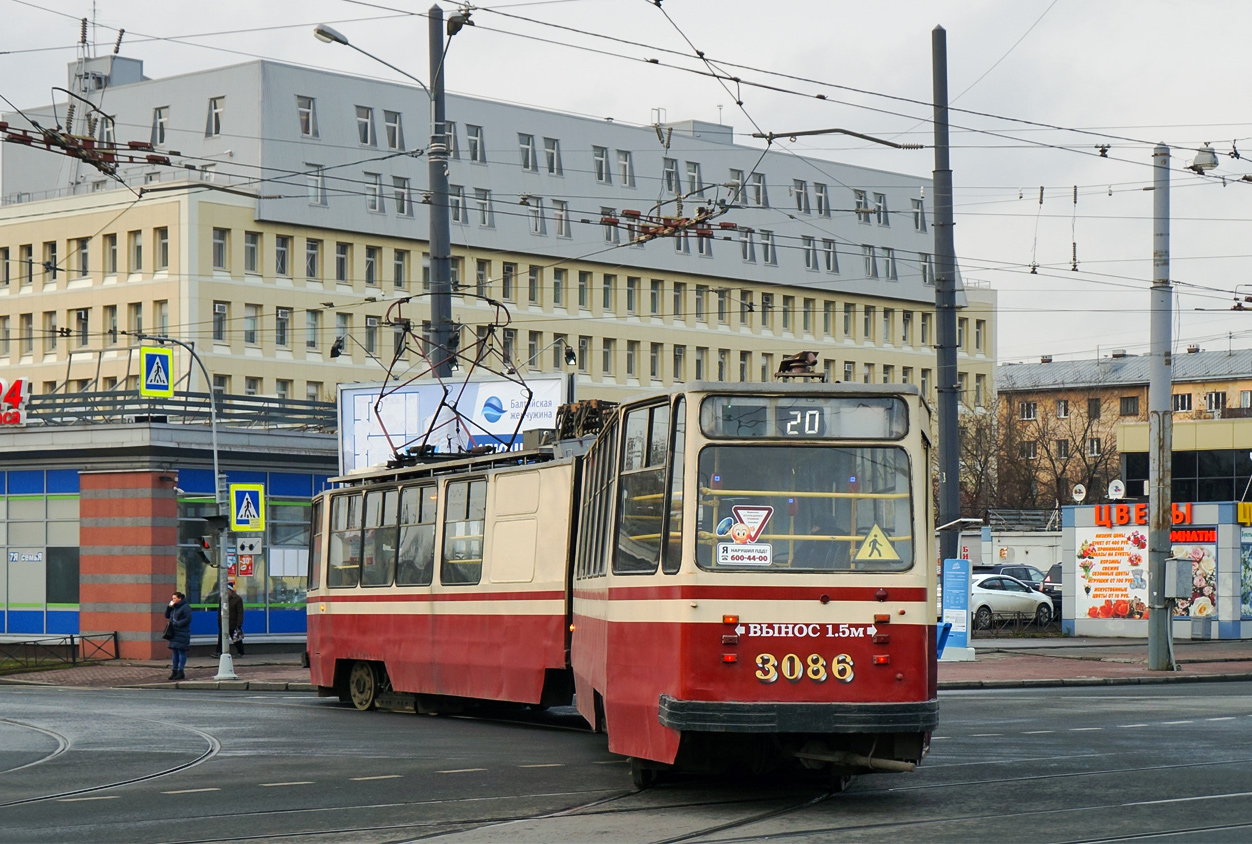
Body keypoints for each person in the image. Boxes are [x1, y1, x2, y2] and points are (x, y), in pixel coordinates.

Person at [214, 580, 245, 657]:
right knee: (221, 638)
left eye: (226, 590)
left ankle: (240, 652)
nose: (225, 591)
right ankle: (218, 652)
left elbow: (240, 612)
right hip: (223, 622)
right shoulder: (222, 598)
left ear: (230, 590)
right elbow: (219, 610)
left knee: (236, 638)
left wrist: (239, 624)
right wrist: (219, 621)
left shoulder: (237, 599)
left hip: (233, 622)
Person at [164, 591, 191, 680]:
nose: (173, 600)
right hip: (174, 632)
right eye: (173, 598)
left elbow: (188, 618)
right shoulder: (174, 607)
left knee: (181, 651)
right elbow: (167, 615)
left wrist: (178, 624)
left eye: (175, 598)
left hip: (182, 632)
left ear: (180, 599)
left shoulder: (185, 607)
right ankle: (174, 670)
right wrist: (169, 607)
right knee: (175, 651)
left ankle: (181, 671)